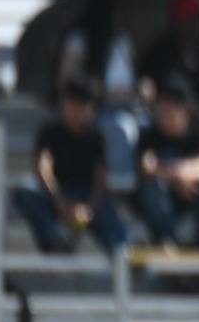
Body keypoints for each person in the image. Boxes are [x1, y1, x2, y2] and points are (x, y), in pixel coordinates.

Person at [13, 78, 128, 255]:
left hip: (86, 196)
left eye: (82, 105)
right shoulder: (50, 132)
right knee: (26, 191)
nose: (77, 110)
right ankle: (54, 238)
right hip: (53, 195)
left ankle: (122, 252)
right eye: (73, 103)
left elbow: (100, 180)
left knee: (109, 217)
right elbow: (43, 169)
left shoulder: (95, 137)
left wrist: (89, 209)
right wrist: (60, 202)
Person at [133, 80, 199, 249]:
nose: (165, 117)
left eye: (171, 112)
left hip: (190, 197)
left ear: (186, 112)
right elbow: (147, 167)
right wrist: (175, 176)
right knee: (153, 186)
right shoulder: (149, 136)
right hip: (161, 202)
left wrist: (182, 173)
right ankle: (166, 241)